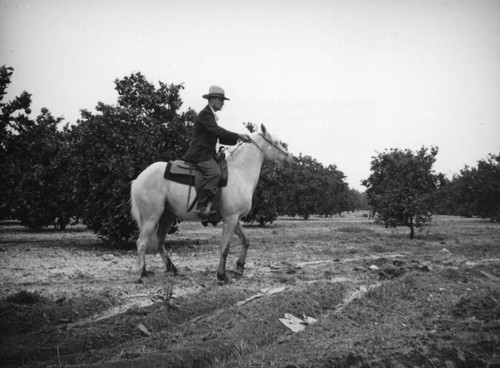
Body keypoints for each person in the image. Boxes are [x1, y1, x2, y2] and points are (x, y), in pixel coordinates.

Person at [184, 85, 252, 218]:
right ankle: (202, 206)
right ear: (213, 99)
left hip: (206, 153)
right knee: (215, 173)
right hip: (200, 154)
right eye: (222, 100)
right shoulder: (205, 114)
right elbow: (217, 130)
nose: (223, 104)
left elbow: (219, 136)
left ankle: (215, 205)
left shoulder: (210, 115)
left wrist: (239, 140)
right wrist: (238, 135)